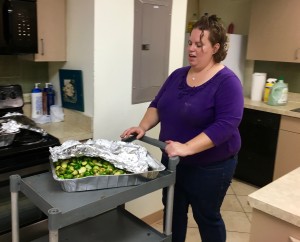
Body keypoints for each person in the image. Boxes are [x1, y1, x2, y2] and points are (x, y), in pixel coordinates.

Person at [121, 14, 244, 242]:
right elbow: (158, 105)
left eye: (200, 44)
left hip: (211, 168)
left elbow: (226, 125)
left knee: (206, 216)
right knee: (173, 213)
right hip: (174, 160)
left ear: (215, 47)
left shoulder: (228, 82)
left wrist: (187, 147)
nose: (192, 49)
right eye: (190, 42)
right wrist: (142, 127)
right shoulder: (178, 75)